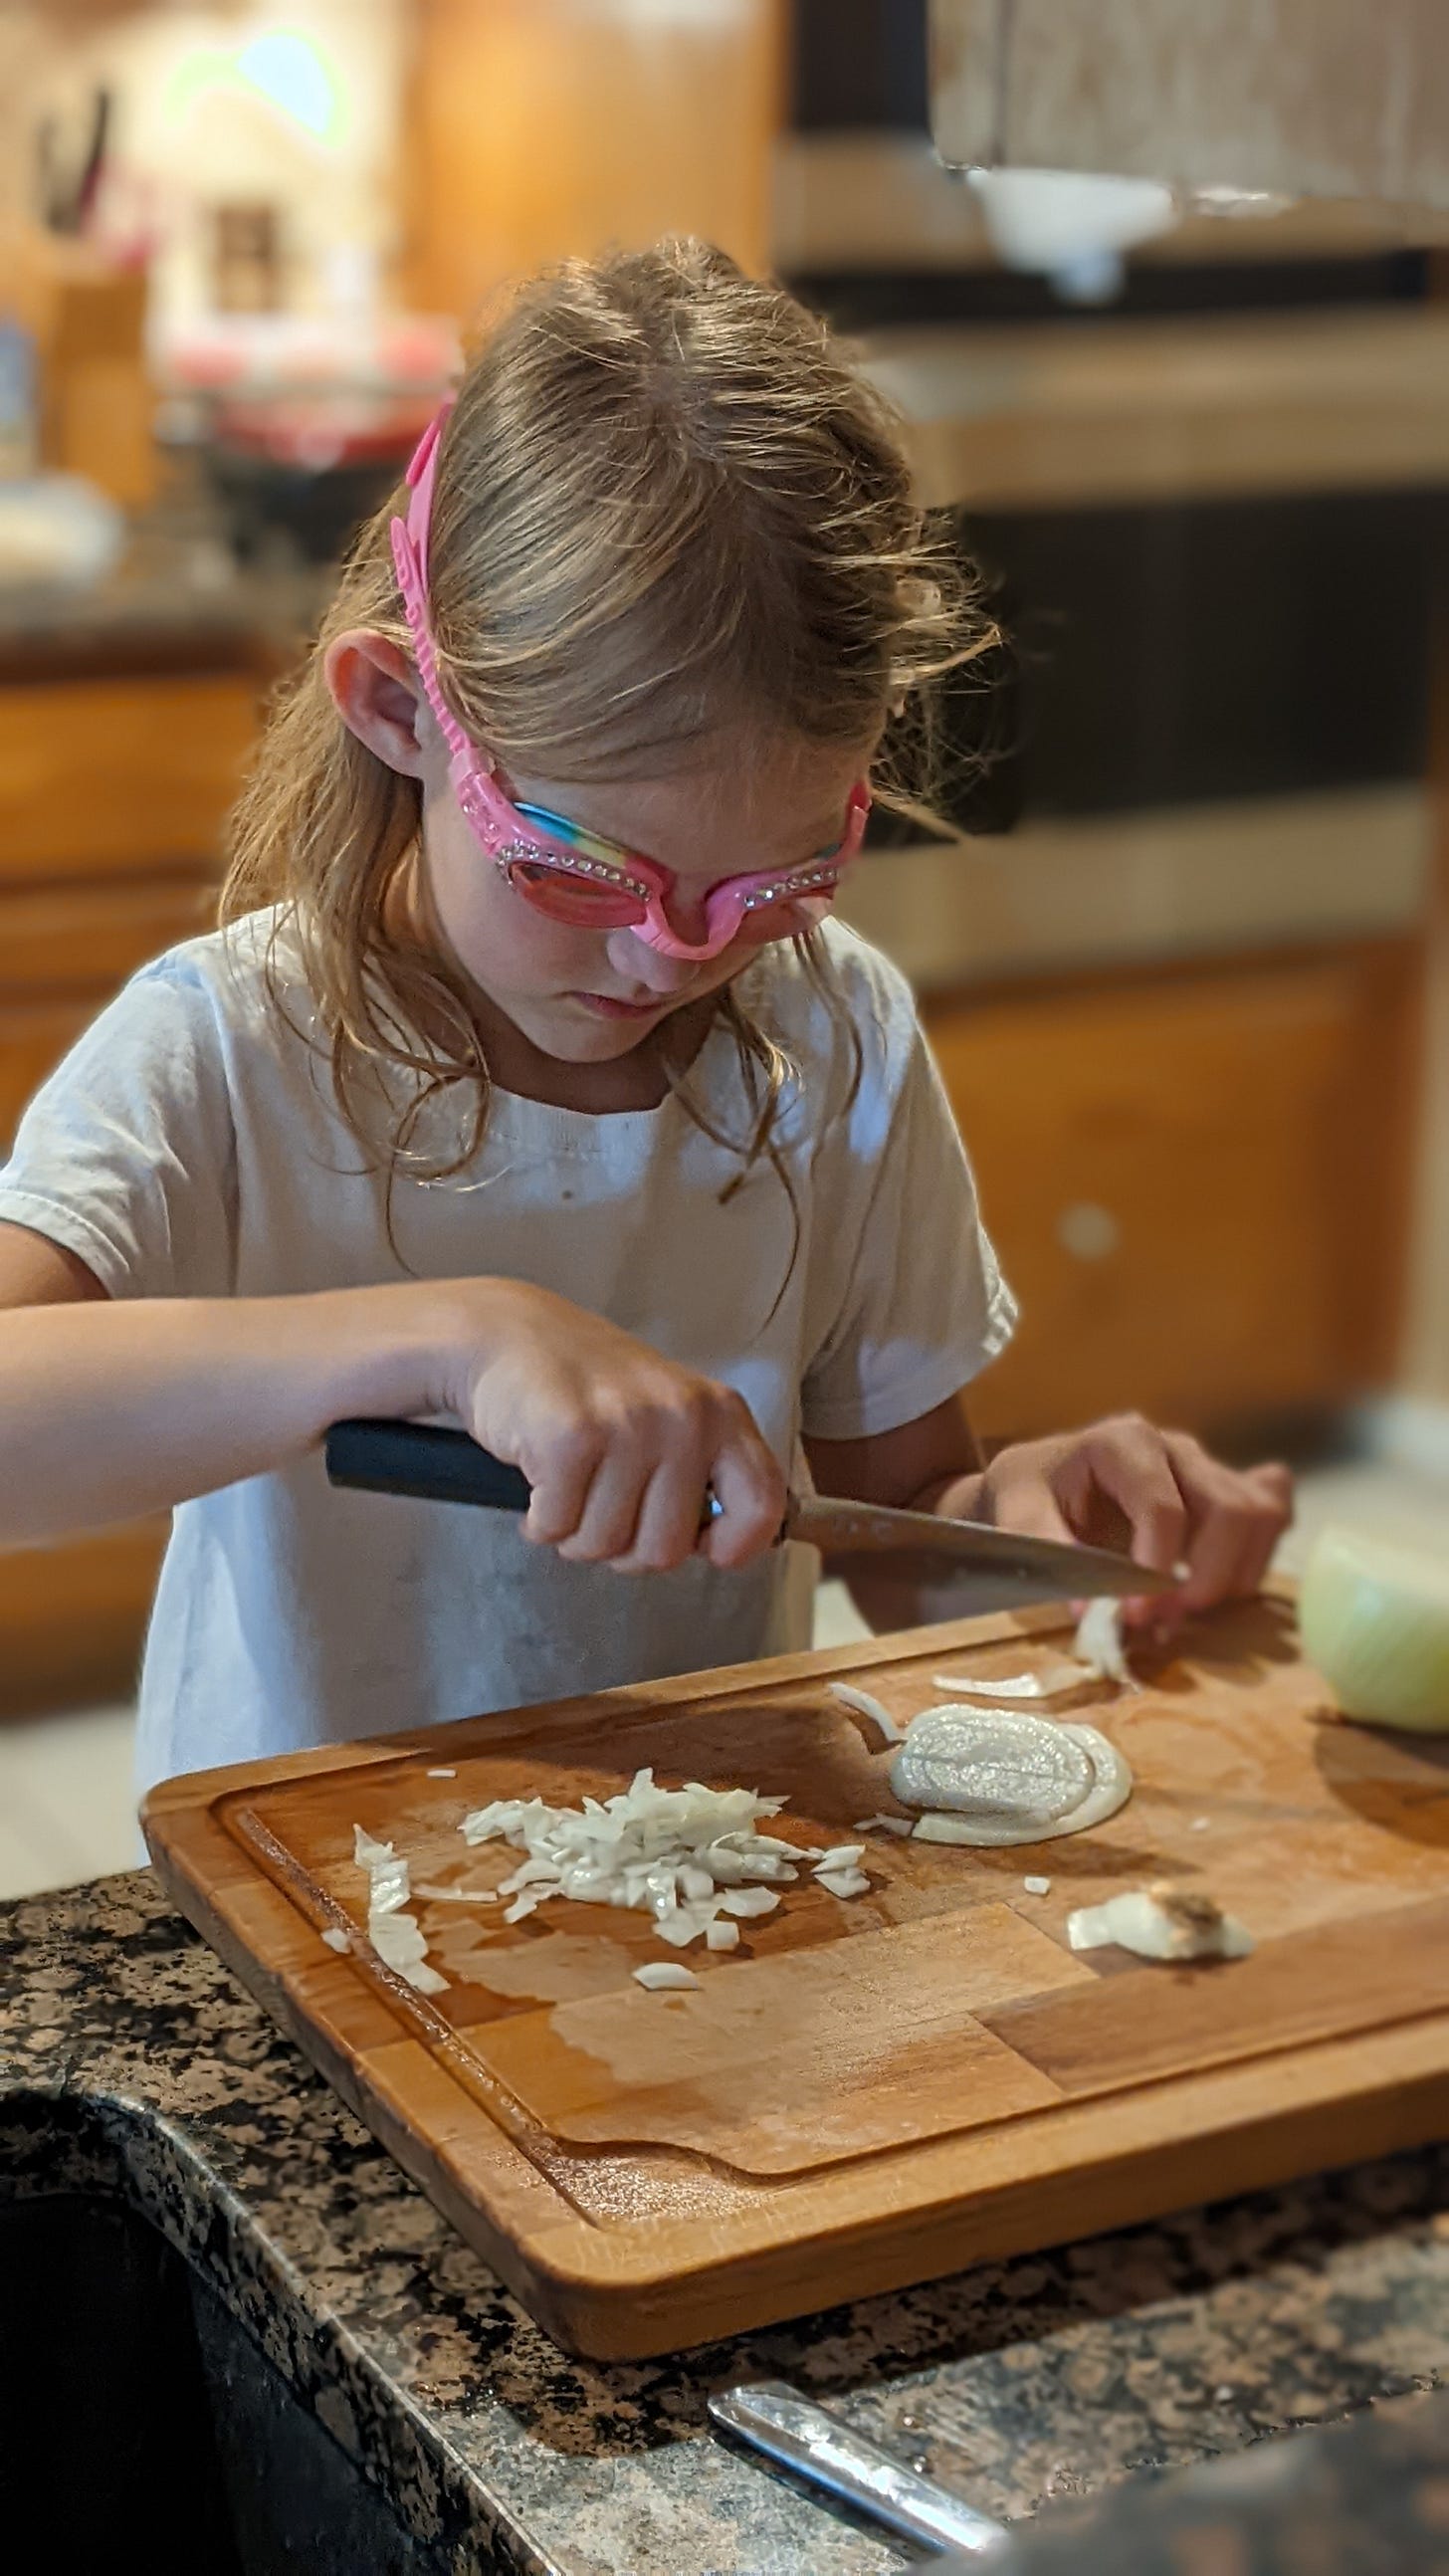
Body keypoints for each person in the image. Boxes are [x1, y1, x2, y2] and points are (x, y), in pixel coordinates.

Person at [0, 242, 1290, 1794]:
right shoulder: (229, 1048)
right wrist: (449, 1337)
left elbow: (904, 1536)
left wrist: (1032, 1528)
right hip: (304, 1874)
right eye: (586, 870)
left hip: (707, 1866)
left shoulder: (836, 1041)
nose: (670, 955)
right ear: (402, 714)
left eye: (773, 882)